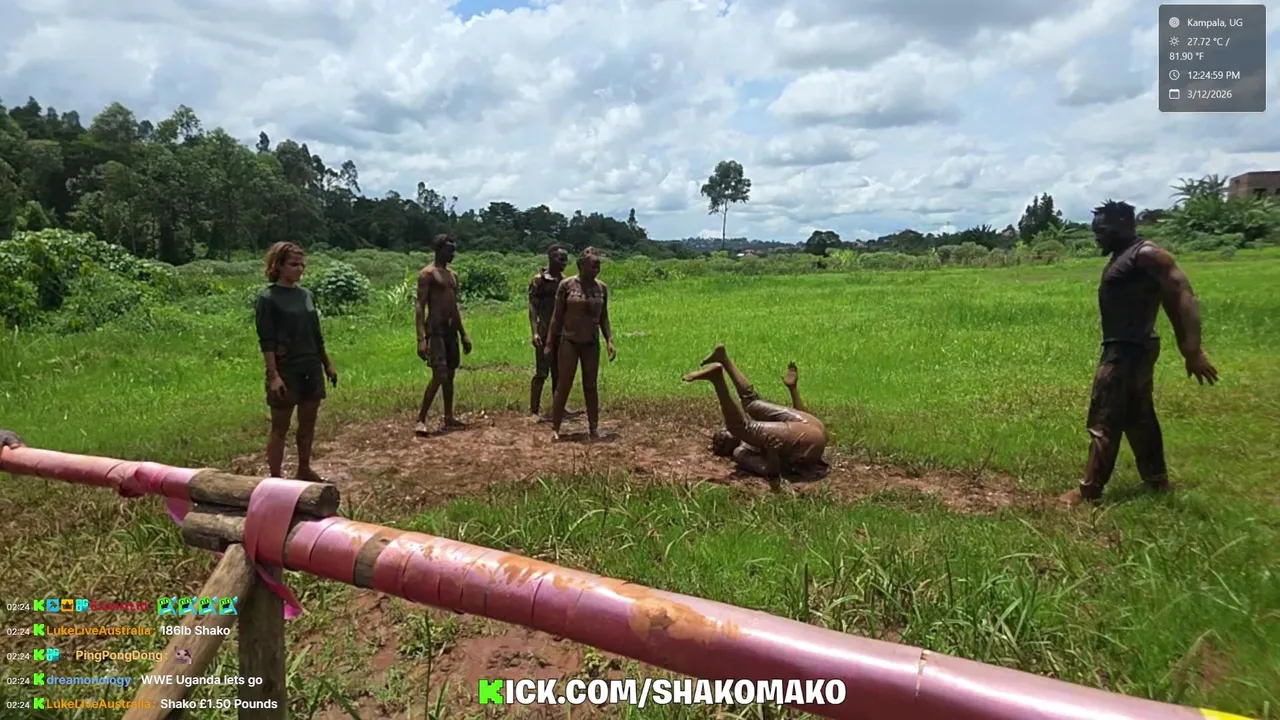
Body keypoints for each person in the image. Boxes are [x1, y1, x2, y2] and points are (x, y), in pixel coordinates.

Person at [1061, 200, 1219, 506]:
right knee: (1138, 416)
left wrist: (1192, 350)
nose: (1097, 235)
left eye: (1103, 229)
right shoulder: (1125, 255)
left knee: (1104, 416)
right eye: (1095, 229)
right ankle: (1156, 481)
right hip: (1130, 345)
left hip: (1128, 349)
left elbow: (1181, 293)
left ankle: (1088, 491)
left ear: (1123, 224)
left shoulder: (1146, 254)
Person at [254, 242, 337, 481]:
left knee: (308, 424)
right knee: (280, 427)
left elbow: (316, 333)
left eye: (302, 264)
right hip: (286, 368)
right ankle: (275, 478)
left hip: (310, 365)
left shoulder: (306, 295)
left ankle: (304, 469)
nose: (299, 269)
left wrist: (327, 364)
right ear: (278, 266)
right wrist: (274, 375)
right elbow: (267, 341)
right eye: (293, 264)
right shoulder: (268, 298)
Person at [683, 345, 828, 479]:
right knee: (749, 407)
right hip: (812, 435)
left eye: (722, 433)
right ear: (726, 451)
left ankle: (720, 371)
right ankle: (723, 362)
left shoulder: (754, 432)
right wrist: (772, 453)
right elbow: (771, 471)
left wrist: (793, 390)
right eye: (721, 442)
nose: (723, 436)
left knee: (749, 407)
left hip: (811, 431)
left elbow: (800, 428)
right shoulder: (741, 452)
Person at [545, 247, 616, 440]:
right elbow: (556, 317)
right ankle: (555, 427)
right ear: (581, 265)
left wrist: (609, 340)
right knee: (564, 384)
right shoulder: (567, 285)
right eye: (592, 266)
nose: (596, 270)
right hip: (569, 341)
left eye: (598, 266)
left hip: (591, 342)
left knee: (590, 385)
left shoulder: (601, 288)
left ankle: (593, 428)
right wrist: (549, 343)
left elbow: (604, 317)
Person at [415, 233, 472, 435]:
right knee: (439, 374)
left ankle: (448, 416)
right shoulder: (428, 274)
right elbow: (420, 307)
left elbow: (454, 308)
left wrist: (463, 334)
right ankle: (421, 419)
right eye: (449, 250)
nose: (452, 254)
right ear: (438, 250)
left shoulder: (452, 276)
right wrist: (421, 339)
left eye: (453, 251)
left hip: (450, 330)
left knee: (450, 374)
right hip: (436, 329)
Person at [527, 244, 569, 418]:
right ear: (551, 258)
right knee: (542, 372)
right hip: (544, 332)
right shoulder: (539, 280)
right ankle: (534, 410)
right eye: (561, 259)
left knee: (559, 373)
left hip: (561, 333)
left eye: (566, 260)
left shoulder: (565, 281)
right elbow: (532, 307)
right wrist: (534, 332)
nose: (564, 263)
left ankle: (559, 408)